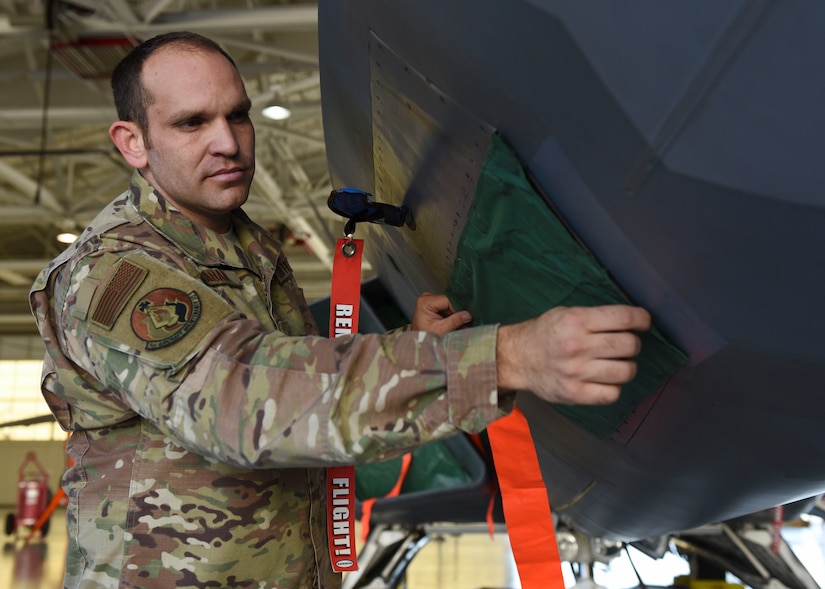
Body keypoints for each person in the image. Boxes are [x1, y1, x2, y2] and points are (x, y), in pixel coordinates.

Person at [29, 31, 650, 589]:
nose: (228, 142)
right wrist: (502, 358)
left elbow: (304, 397)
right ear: (132, 142)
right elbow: (243, 400)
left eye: (238, 115)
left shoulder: (245, 249)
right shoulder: (113, 273)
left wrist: (416, 344)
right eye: (192, 123)